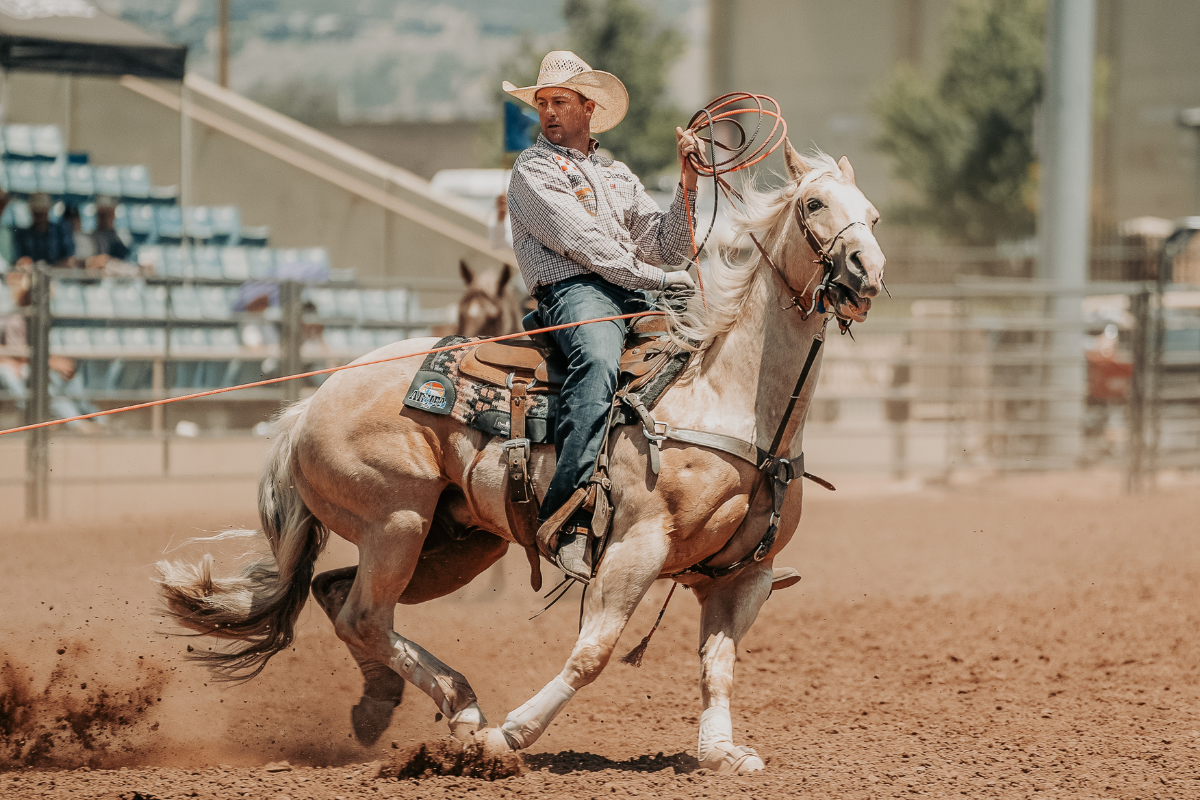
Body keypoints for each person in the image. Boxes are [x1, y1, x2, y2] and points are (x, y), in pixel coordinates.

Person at [503, 50, 700, 577]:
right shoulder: (533, 169)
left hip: (631, 290)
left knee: (704, 352)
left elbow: (664, 245)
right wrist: (657, 281)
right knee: (596, 359)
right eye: (542, 102)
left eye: (559, 102)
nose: (547, 111)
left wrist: (687, 184)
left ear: (588, 107)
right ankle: (566, 516)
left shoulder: (616, 174)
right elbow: (584, 244)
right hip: (574, 292)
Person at [13, 193, 74, 267]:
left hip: (58, 275)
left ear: (47, 212)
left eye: (42, 214)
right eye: (37, 214)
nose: (40, 219)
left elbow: (70, 259)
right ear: (32, 213)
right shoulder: (23, 235)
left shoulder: (61, 231)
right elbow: (19, 259)